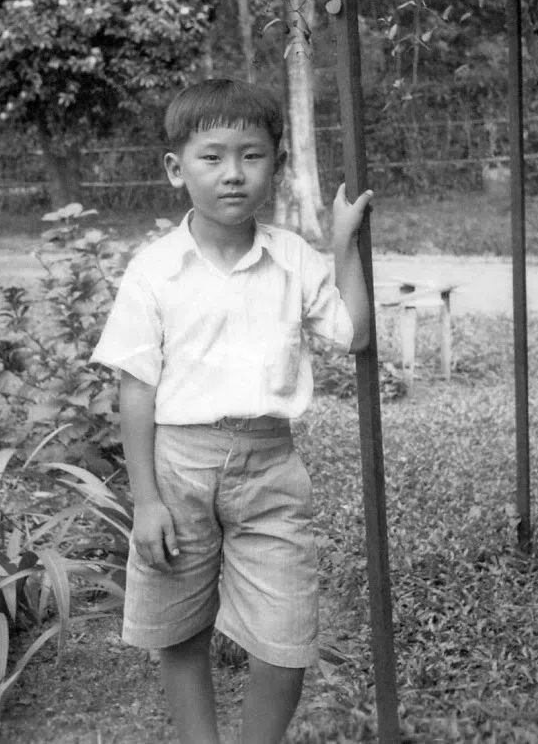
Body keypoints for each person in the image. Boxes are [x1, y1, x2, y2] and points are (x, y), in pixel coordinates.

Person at [90, 77, 373, 744]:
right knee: (178, 623)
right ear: (175, 169)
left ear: (275, 165)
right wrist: (147, 501)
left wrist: (341, 247)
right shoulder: (154, 271)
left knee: (286, 636)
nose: (233, 174)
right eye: (212, 157)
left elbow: (354, 334)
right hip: (179, 466)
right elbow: (136, 387)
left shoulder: (293, 260)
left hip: (269, 466)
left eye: (251, 155)